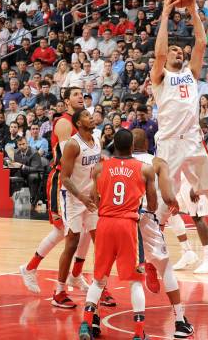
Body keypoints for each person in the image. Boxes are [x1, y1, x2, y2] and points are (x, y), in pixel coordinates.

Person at [150, 0, 208, 271]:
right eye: (173, 49)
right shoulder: (160, 77)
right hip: (169, 145)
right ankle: (151, 261)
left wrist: (193, 10)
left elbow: (200, 41)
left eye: (178, 49)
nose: (176, 51)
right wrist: (165, 14)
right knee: (163, 209)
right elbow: (160, 51)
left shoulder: (191, 74)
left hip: (192, 142)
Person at [19, 89, 102, 304]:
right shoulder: (65, 123)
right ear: (66, 101)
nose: (80, 97)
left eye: (82, 94)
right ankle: (31, 268)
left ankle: (75, 275)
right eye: (75, 94)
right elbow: (68, 163)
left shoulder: (90, 132)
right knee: (63, 231)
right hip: (63, 182)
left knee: (84, 231)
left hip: (83, 183)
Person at [78, 129, 157, 340]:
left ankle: (85, 324)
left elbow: (93, 198)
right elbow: (154, 204)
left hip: (105, 223)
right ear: (133, 147)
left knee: (98, 280)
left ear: (114, 145)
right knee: (135, 281)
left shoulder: (99, 168)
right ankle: (139, 333)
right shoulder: (146, 169)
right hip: (127, 225)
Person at [131, 129, 195, 338]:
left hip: (121, 220)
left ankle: (91, 320)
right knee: (166, 268)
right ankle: (179, 321)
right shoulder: (157, 162)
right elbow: (167, 193)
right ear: (148, 143)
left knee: (104, 273)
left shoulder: (116, 162)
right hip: (148, 218)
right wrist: (172, 202)